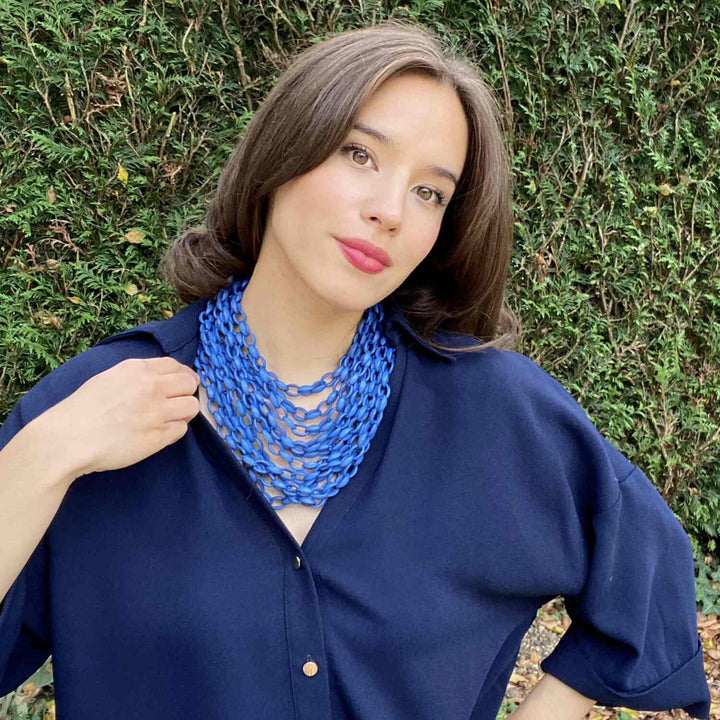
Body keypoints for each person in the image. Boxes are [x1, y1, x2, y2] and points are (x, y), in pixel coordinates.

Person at [0, 19, 711, 720]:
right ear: (284, 150)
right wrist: (42, 459)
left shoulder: (497, 416)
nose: (390, 211)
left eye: (430, 192)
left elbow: (645, 570)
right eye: (359, 154)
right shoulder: (92, 410)